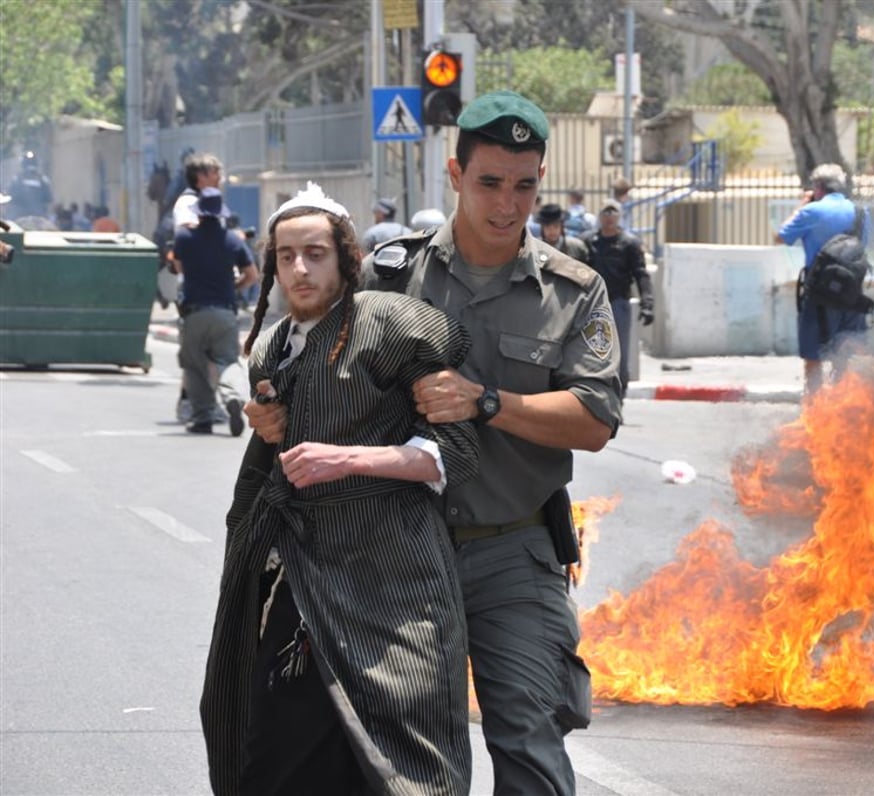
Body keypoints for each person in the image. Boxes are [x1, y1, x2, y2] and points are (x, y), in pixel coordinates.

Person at [248, 90, 623, 795]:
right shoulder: (391, 274)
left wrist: (487, 402)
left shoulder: (575, 292)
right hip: (389, 551)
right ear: (455, 176)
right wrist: (272, 410)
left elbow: (595, 419)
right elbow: (303, 359)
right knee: (388, 756)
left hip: (514, 552)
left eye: (524, 185)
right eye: (489, 182)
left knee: (531, 742)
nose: (506, 204)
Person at [201, 183, 480, 795]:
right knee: (277, 756)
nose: (300, 269)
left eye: (316, 253)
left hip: (392, 581)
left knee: (403, 764)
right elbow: (276, 462)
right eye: (286, 256)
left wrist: (349, 459)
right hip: (300, 582)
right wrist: (269, 427)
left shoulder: (394, 327)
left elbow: (455, 454)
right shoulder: (272, 347)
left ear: (347, 257)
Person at [774, 163, 871, 395]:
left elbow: (780, 237)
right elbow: (865, 245)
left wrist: (803, 205)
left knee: (813, 357)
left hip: (818, 294)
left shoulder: (811, 211)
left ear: (817, 187)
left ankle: (815, 407)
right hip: (852, 293)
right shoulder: (860, 213)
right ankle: (842, 408)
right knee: (846, 354)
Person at [172, 187, 257, 435]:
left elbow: (178, 268)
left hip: (195, 311)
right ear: (221, 213)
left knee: (195, 366)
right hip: (225, 312)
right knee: (228, 361)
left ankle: (203, 417)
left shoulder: (184, 238)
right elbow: (252, 275)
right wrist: (235, 287)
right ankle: (233, 398)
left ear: (198, 212)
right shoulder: (233, 240)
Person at [579, 198, 654, 398]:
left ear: (619, 217)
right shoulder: (588, 242)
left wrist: (648, 304)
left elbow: (641, 274)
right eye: (606, 212)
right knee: (591, 355)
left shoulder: (629, 244)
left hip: (618, 302)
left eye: (613, 213)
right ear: (600, 216)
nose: (609, 217)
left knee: (619, 356)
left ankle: (618, 401)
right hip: (591, 305)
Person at [5, 150, 52, 221]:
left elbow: (10, 195)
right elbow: (49, 198)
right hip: (36, 217)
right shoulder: (43, 179)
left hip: (20, 217)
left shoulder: (17, 178)